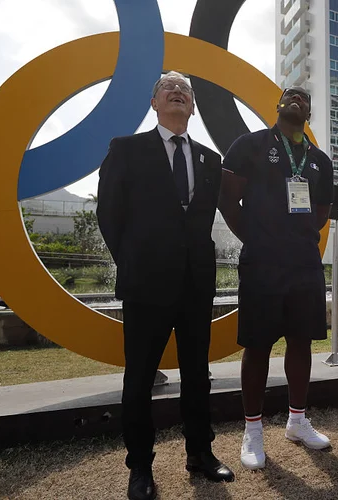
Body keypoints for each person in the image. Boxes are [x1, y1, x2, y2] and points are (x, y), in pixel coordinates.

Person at [97, 71, 234, 500]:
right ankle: (140, 468)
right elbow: (109, 215)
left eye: (185, 91)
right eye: (167, 88)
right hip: (145, 285)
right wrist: (135, 261)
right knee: (139, 379)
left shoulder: (211, 159)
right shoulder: (127, 149)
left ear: (192, 106)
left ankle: (201, 453)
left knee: (197, 374)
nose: (177, 92)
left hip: (196, 285)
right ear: (154, 103)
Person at [219, 85, 334, 470]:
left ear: (310, 111)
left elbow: (320, 213)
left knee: (301, 342)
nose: (299, 98)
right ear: (280, 105)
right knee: (258, 345)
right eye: (292, 94)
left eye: (306, 96)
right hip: (262, 263)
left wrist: (294, 237)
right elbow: (226, 200)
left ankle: (297, 421)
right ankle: (252, 430)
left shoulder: (319, 160)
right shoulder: (249, 145)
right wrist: (256, 237)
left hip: (303, 263)